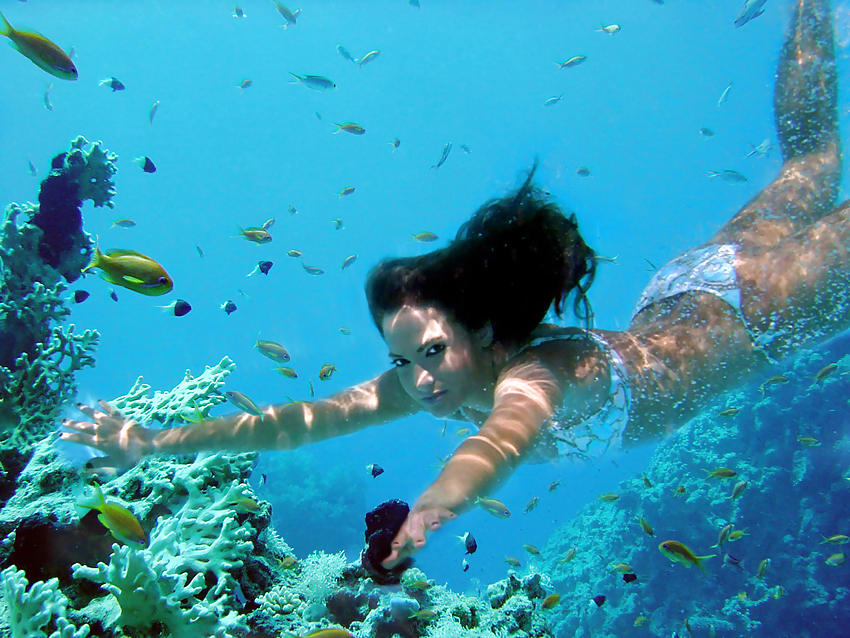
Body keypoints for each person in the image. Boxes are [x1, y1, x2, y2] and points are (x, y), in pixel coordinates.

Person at [62, 0, 845, 570]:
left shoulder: (539, 375)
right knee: (813, 163)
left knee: (816, 164)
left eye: (431, 351)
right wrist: (153, 444)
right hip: (689, 293)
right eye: (403, 361)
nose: (419, 379)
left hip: (768, 312)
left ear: (476, 331)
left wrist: (436, 506)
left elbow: (498, 445)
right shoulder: (432, 382)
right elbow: (296, 424)